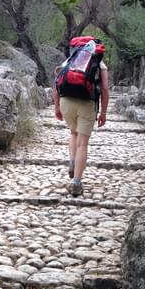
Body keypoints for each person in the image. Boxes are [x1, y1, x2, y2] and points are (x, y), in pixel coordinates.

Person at [52, 52, 109, 197]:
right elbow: (105, 89)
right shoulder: (100, 64)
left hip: (67, 102)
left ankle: (72, 160)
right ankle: (76, 183)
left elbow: (56, 85)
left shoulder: (69, 61)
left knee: (73, 132)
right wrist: (103, 112)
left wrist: (57, 107)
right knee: (83, 144)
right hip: (87, 104)